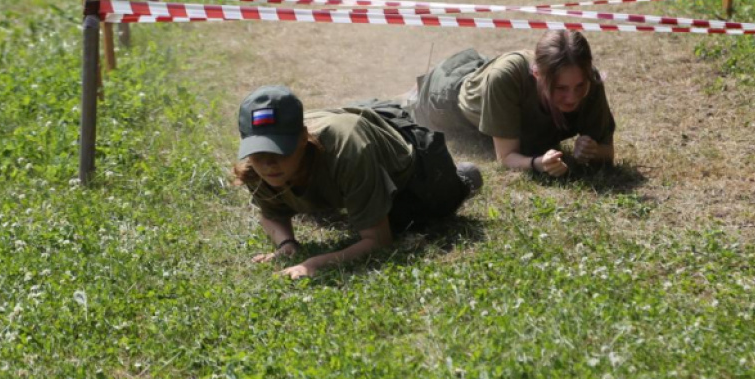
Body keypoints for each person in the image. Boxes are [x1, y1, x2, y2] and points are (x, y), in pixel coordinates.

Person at [233, 86, 481, 279]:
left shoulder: (349, 151)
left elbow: (378, 240)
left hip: (408, 160)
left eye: (279, 151)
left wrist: (316, 263)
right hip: (354, 122)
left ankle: (461, 176)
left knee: (417, 216)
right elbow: (272, 213)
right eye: (258, 153)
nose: (267, 164)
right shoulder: (253, 168)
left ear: (302, 139)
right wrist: (286, 244)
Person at [410, 30, 616, 178]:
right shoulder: (505, 79)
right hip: (447, 97)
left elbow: (607, 151)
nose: (572, 97)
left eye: (579, 86)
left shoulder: (590, 80)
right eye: (560, 88)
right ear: (537, 75)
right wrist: (537, 163)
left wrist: (593, 151)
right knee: (406, 108)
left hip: (487, 76)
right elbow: (506, 157)